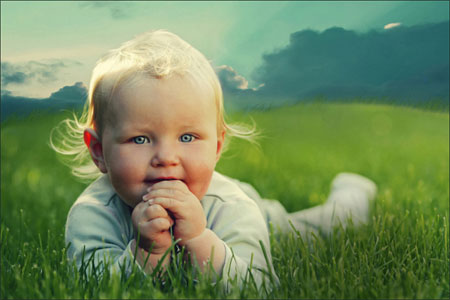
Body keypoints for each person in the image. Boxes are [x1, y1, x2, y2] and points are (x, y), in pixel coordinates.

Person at [51, 30, 377, 289]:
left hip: (257, 216)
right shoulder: (93, 215)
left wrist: (199, 241)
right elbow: (92, 289)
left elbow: (257, 286)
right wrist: (144, 253)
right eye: (140, 139)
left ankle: (351, 199)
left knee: (311, 231)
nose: (166, 157)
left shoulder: (232, 207)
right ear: (98, 150)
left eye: (188, 137)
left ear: (217, 146)